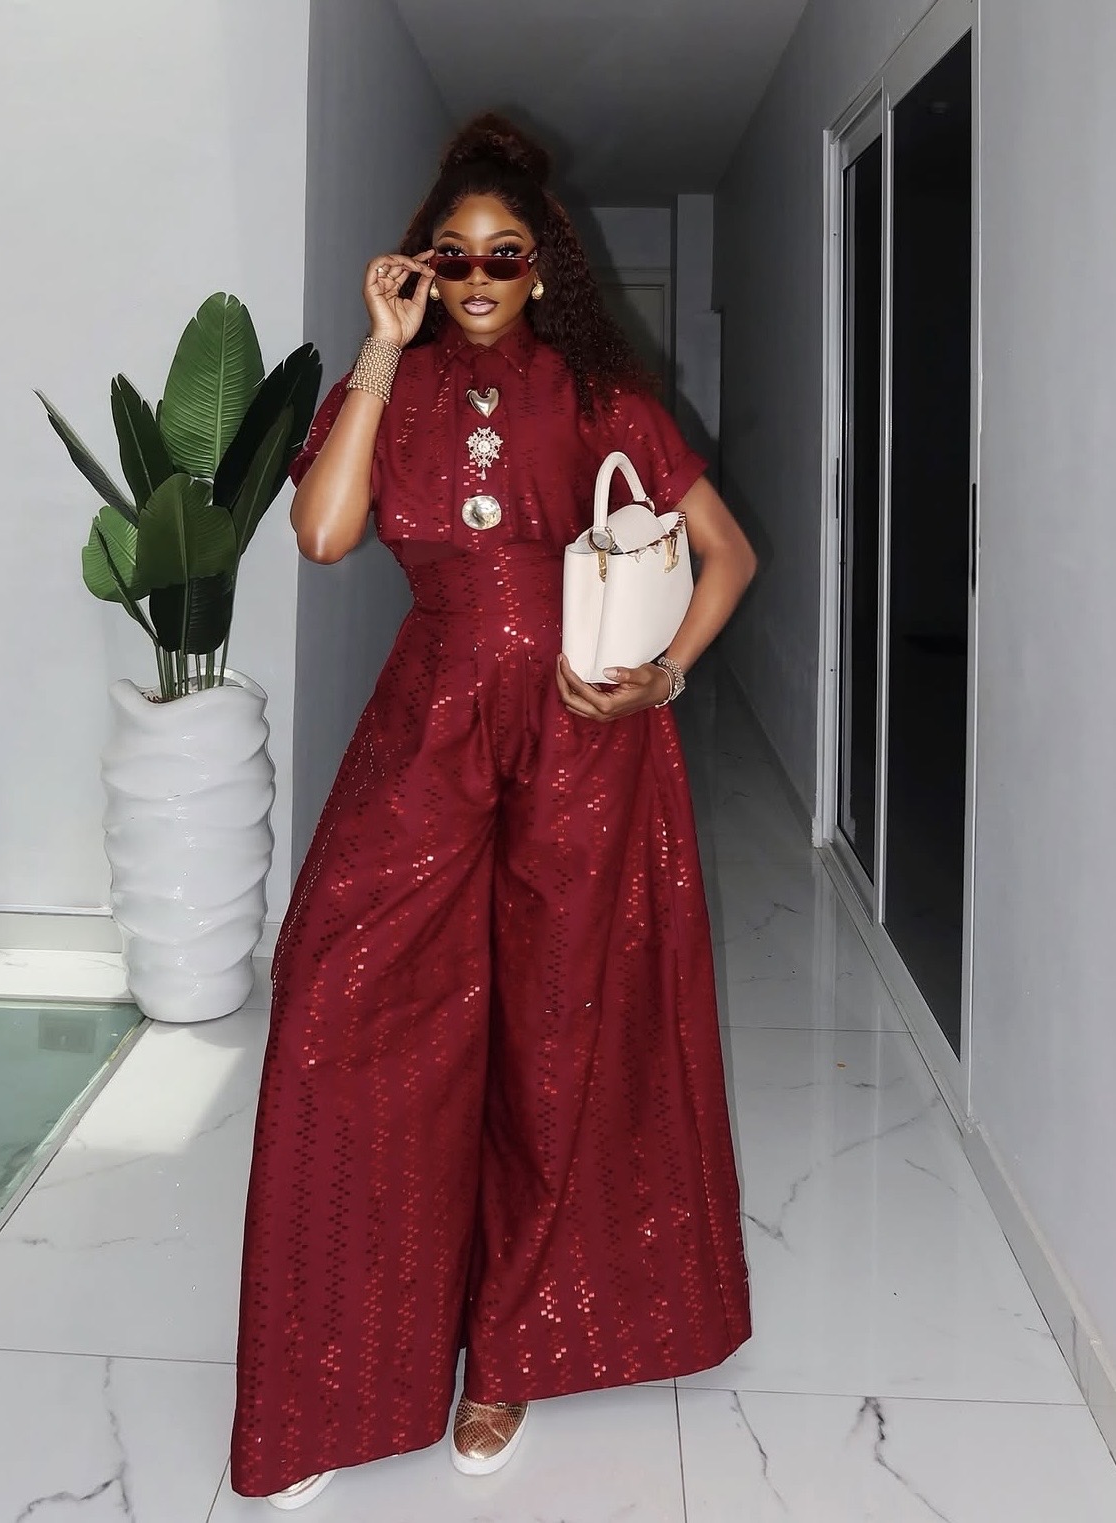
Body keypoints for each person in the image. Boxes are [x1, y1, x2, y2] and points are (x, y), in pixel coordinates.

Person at [231, 114, 757, 1512]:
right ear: (420, 264)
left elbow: (727, 556)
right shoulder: (394, 386)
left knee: (552, 1042)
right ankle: (337, 1372)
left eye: (504, 255)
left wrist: (661, 677)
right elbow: (325, 535)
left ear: (543, 267)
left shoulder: (600, 394)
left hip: (582, 744)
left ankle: (508, 1357)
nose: (477, 277)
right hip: (430, 729)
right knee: (339, 1002)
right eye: (453, 256)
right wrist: (380, 347)